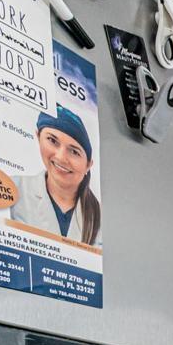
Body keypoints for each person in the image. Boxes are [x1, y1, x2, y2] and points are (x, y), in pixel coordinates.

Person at [11, 106, 102, 247]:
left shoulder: (102, 217)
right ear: (38, 137)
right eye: (52, 141)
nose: (60, 157)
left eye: (74, 151)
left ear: (88, 165)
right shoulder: (12, 188)